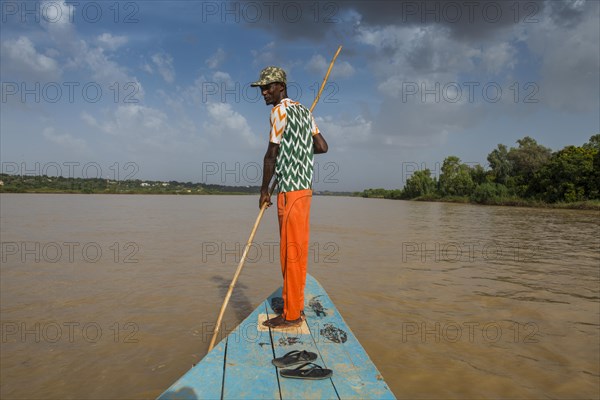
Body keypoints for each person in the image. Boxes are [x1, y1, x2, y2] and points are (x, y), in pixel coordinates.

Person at [251, 66, 328, 329]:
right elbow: (321, 147)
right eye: (261, 87)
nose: (263, 92)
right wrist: (297, 150)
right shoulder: (305, 111)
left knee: (289, 254)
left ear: (280, 87)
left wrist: (263, 191)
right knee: (297, 251)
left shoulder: (279, 111)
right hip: (304, 191)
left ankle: (292, 315)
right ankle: (292, 303)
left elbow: (270, 155)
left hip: (290, 193)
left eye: (267, 87)